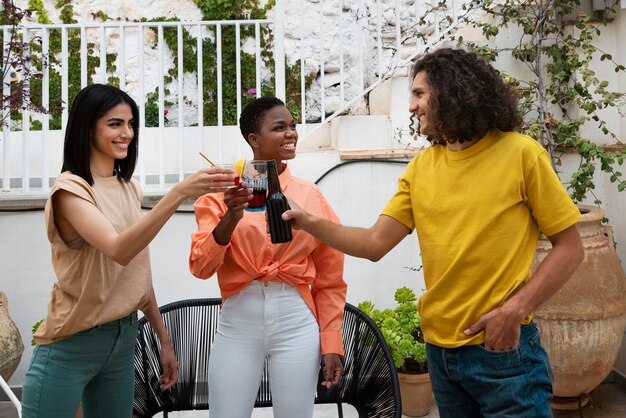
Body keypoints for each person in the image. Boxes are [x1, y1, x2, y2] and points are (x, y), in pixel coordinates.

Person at [282, 48, 585, 417]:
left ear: (452, 92)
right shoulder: (421, 167)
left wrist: (515, 309)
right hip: (440, 354)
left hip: (502, 354)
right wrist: (308, 221)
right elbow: (374, 243)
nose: (412, 106)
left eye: (419, 94)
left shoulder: (522, 155)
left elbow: (570, 248)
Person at [22, 84, 233, 418]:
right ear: (88, 127)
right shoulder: (70, 190)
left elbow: (136, 271)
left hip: (123, 338)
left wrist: (163, 339)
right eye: (115, 123)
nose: (127, 133)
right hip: (72, 343)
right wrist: (179, 193)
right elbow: (119, 249)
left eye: (131, 123)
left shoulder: (128, 187)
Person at [189, 97, 347, 418]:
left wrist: (331, 341)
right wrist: (232, 215)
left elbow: (331, 279)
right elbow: (201, 266)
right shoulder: (221, 194)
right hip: (238, 322)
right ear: (254, 139)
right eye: (279, 128)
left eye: (292, 126)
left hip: (296, 320)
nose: (291, 133)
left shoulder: (310, 196)